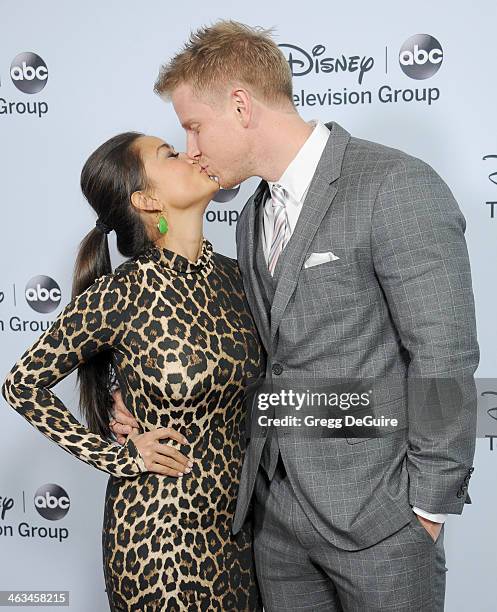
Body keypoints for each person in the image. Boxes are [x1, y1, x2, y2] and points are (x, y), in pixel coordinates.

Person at [110, 20, 480, 611]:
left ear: (240, 105)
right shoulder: (253, 212)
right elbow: (255, 352)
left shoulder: (394, 185)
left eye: (194, 127)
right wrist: (129, 393)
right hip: (275, 524)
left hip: (380, 524)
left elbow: (445, 353)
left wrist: (427, 507)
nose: (193, 147)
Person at [2, 131, 264, 611]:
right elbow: (22, 385)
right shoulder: (121, 292)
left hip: (236, 538)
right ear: (145, 199)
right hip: (157, 540)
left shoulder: (237, 276)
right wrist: (118, 457)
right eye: (169, 154)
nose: (190, 152)